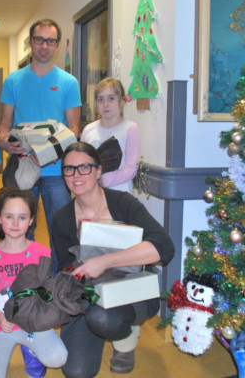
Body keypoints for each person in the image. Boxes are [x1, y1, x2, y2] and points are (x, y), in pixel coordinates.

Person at [51, 142, 175, 376]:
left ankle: (126, 339)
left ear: (98, 171)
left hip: (133, 289)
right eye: (69, 169)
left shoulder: (122, 203)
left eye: (84, 168)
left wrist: (106, 261)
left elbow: (164, 247)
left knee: (104, 319)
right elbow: (62, 268)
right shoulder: (62, 218)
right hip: (89, 293)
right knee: (76, 372)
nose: (76, 175)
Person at [0, 18, 81, 272]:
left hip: (57, 171)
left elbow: (74, 130)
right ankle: (26, 282)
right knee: (20, 230)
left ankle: (57, 287)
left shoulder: (68, 82)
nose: (44, 45)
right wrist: (4, 142)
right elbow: (3, 125)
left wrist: (50, 153)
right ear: (31, 43)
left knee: (60, 232)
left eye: (50, 40)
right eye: (39, 39)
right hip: (23, 170)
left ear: (57, 45)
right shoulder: (13, 81)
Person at [0, 186, 68, 378]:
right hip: (0, 323)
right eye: (9, 217)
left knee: (58, 358)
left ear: (31, 220)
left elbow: (46, 289)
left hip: (33, 323)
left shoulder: (42, 252)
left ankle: (32, 353)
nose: (15, 223)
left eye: (22, 217)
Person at [81, 77, 140, 193]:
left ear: (123, 101)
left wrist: (101, 180)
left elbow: (130, 169)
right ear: (96, 103)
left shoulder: (130, 129)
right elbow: (83, 162)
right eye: (101, 99)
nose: (105, 104)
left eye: (111, 98)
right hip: (92, 194)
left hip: (120, 195)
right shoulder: (88, 130)